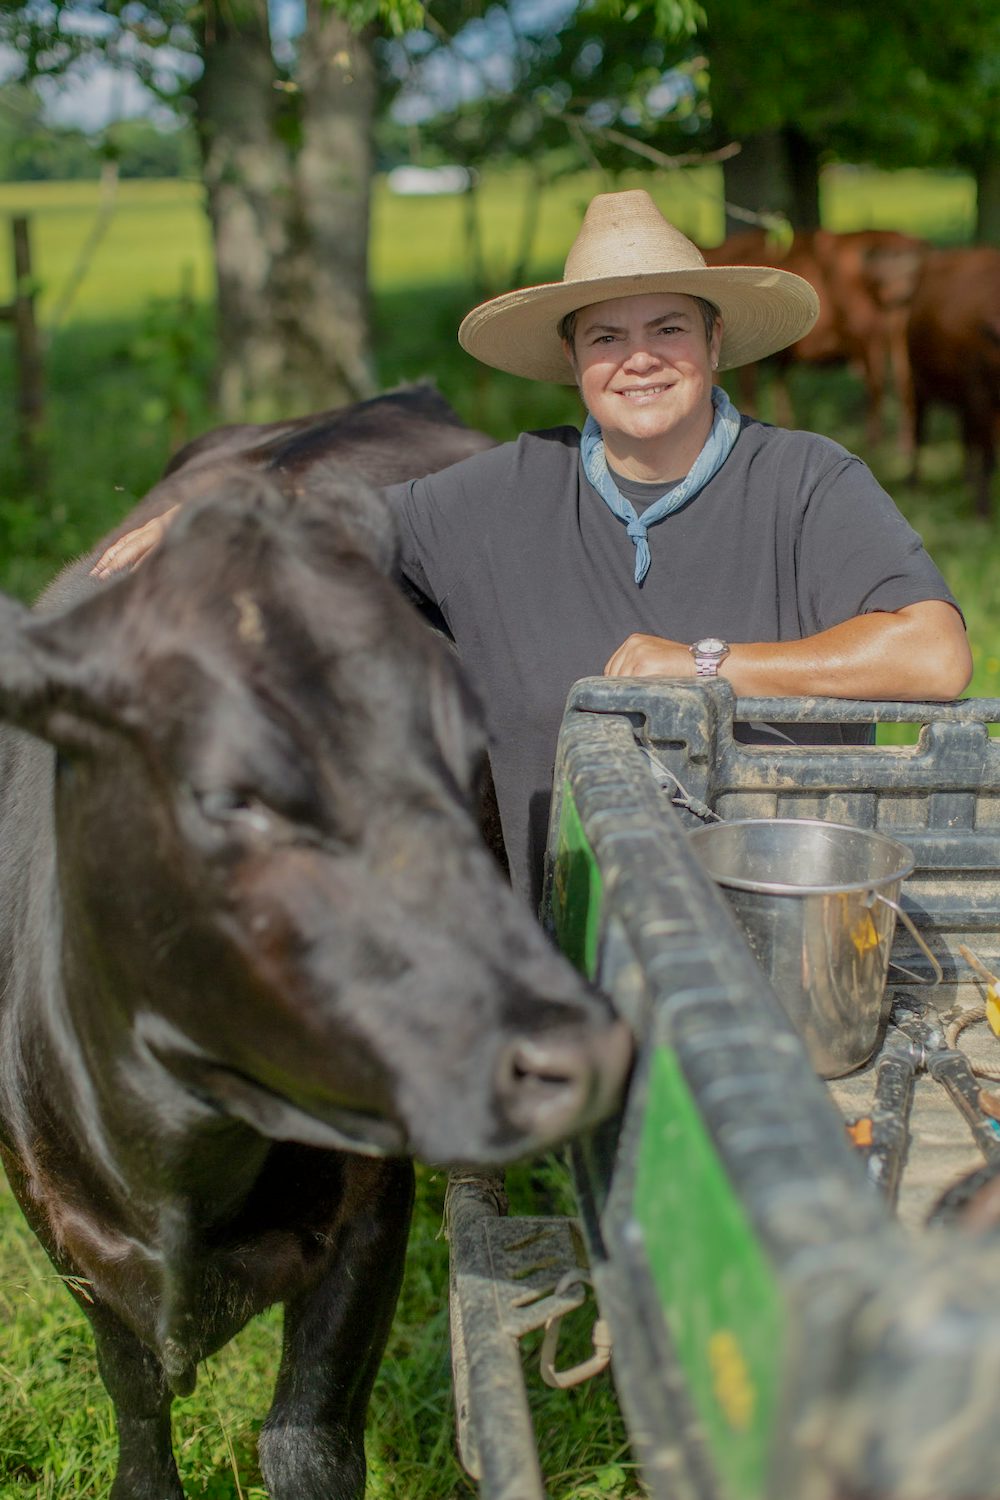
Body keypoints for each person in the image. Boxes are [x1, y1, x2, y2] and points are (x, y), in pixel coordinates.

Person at [93, 189, 972, 908]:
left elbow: (934, 656)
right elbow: (336, 528)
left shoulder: (806, 481)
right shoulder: (499, 494)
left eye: (668, 327)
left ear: (714, 341)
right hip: (570, 963)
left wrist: (707, 664)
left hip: (779, 936)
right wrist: (229, 514)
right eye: (606, 336)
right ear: (572, 359)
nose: (639, 359)